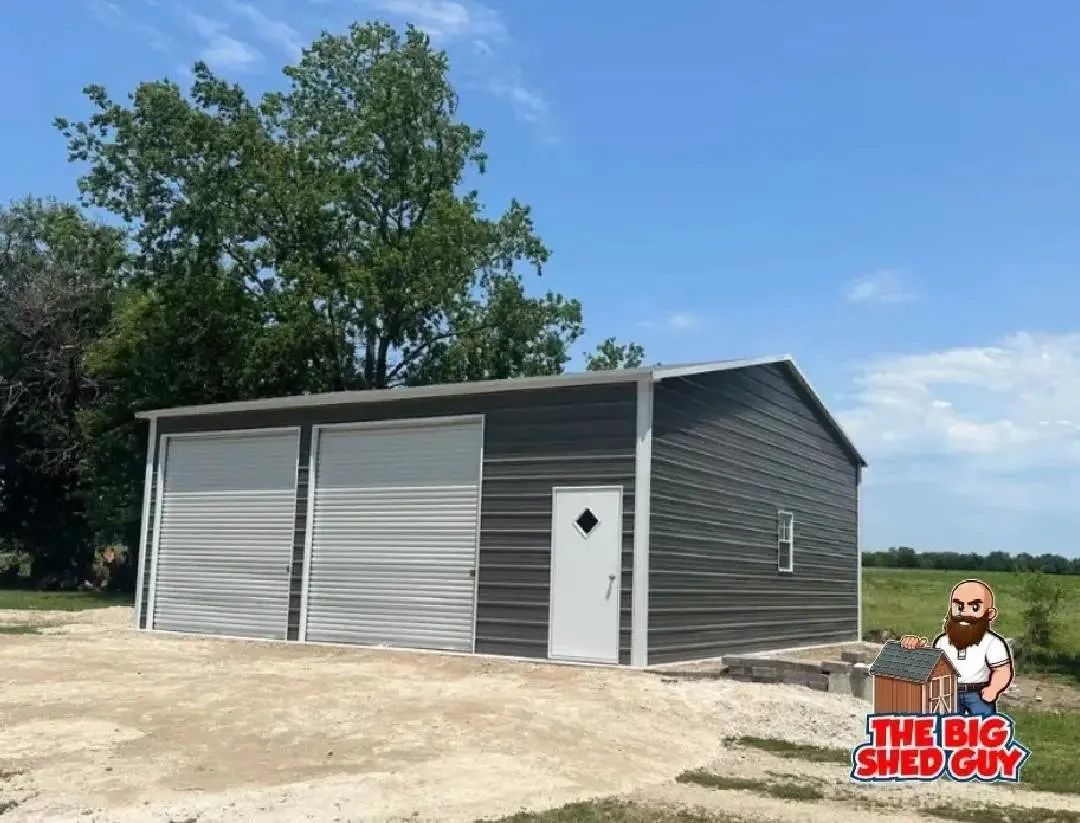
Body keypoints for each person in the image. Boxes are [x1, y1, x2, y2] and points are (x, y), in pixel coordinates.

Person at [900, 578, 1014, 716]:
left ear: (990, 614)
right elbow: (935, 668)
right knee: (947, 730)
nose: (964, 614)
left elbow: (1002, 670)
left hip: (979, 695)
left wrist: (993, 689)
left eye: (974, 608)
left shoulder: (992, 643)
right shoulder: (942, 641)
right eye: (959, 607)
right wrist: (917, 650)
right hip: (948, 693)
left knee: (983, 731)